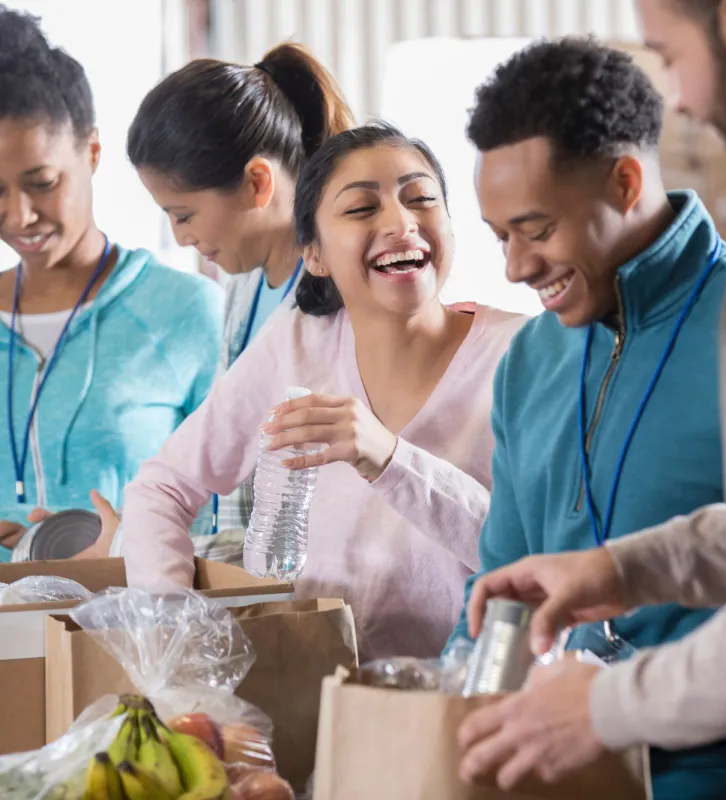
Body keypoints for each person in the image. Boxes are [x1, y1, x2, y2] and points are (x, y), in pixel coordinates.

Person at [458, 3, 726, 799]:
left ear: (626, 180)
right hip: (566, 767)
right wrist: (623, 567)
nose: (512, 267)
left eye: (535, 228)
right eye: (497, 234)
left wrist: (607, 706)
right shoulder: (529, 361)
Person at [120, 122, 528, 659]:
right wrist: (173, 634)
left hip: (462, 711)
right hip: (311, 696)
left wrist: (390, 458)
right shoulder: (299, 340)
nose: (402, 222)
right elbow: (161, 489)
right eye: (362, 209)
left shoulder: (524, 353)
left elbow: (542, 558)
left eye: (422, 199)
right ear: (313, 254)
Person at [0, 6, 223, 561]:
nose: (19, 215)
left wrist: (132, 545)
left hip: (136, 639)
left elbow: (241, 523)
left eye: (42, 183)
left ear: (92, 152)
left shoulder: (188, 312)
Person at [126, 42, 355, 543]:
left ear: (257, 182)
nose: (182, 237)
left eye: (183, 215)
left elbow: (325, 511)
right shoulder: (244, 286)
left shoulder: (341, 300)